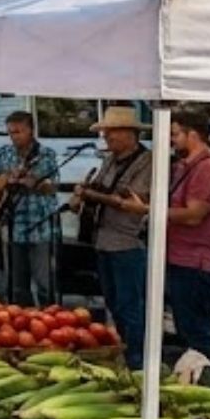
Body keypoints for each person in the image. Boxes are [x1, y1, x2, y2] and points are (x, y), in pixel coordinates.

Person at [120, 109, 210, 361]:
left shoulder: (209, 168)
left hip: (198, 260)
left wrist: (147, 209)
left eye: (175, 134)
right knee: (186, 324)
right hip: (181, 256)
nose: (170, 139)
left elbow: (194, 215)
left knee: (196, 328)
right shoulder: (184, 166)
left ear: (193, 134)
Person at [73, 108, 154, 367]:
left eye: (113, 132)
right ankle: (124, 349)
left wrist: (92, 196)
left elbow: (134, 200)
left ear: (132, 133)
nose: (107, 137)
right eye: (105, 132)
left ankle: (138, 360)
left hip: (128, 242)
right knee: (113, 303)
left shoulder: (147, 162)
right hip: (103, 239)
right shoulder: (109, 160)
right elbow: (98, 188)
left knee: (131, 305)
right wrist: (82, 195)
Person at [0, 111, 60, 307]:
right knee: (16, 285)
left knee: (44, 284)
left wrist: (35, 183)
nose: (14, 137)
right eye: (11, 132)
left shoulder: (45, 155)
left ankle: (49, 324)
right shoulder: (6, 154)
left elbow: (52, 185)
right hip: (13, 227)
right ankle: (20, 323)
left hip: (40, 227)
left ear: (31, 130)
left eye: (18, 132)